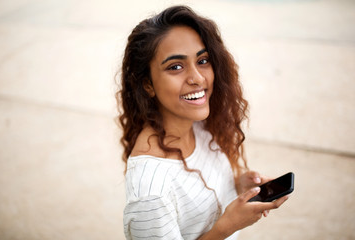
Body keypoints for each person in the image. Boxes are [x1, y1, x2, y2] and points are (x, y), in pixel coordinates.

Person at [117, 5, 289, 240]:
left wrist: (239, 186)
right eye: (175, 66)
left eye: (203, 60)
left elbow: (200, 197)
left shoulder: (200, 126)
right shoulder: (150, 193)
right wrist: (225, 228)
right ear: (147, 84)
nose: (198, 78)